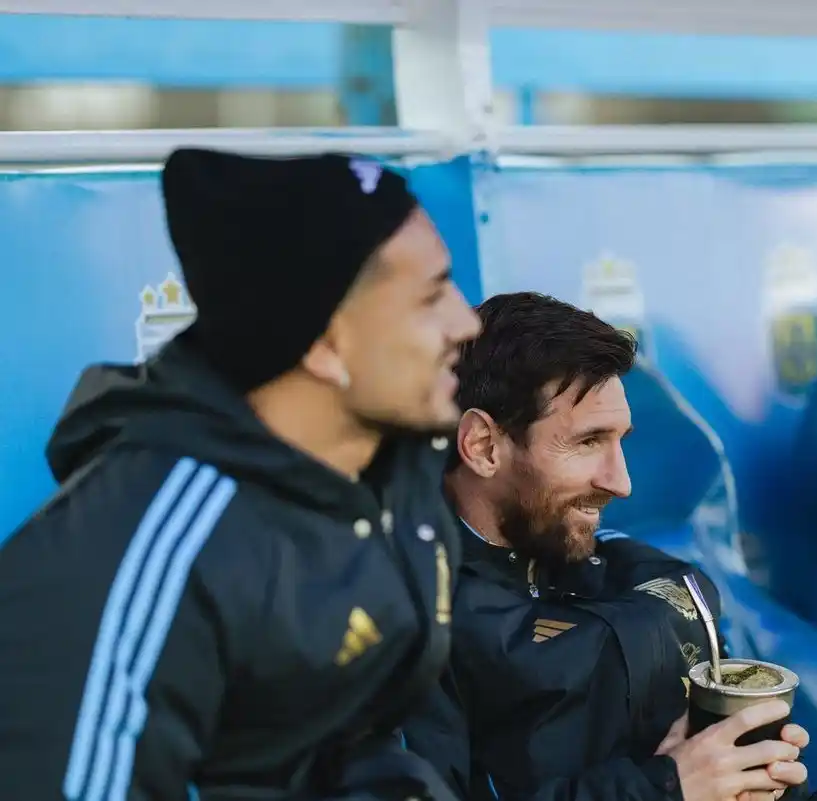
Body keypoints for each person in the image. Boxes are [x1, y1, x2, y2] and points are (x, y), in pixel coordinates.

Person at [0, 149, 481, 801]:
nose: (467, 320)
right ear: (323, 345)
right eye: (430, 296)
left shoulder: (397, 466)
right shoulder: (140, 553)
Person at [402, 292, 817, 801]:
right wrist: (669, 787)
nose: (622, 483)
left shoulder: (643, 574)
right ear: (483, 447)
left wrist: (753, 775)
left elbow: (704, 761)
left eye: (621, 441)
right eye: (589, 442)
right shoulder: (409, 624)